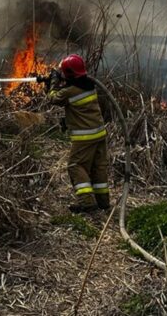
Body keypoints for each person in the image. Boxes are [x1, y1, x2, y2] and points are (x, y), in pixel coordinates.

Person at [45, 54, 110, 213]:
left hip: (85, 137)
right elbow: (78, 107)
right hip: (99, 134)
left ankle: (87, 202)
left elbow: (53, 98)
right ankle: (103, 202)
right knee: (98, 167)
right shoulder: (89, 85)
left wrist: (53, 81)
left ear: (68, 74)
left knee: (75, 166)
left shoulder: (70, 91)